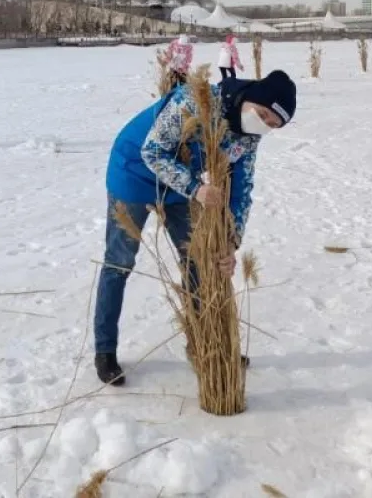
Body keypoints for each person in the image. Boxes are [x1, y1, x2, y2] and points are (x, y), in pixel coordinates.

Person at [93, 69, 297, 386]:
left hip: (180, 183)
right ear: (252, 99)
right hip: (134, 171)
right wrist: (195, 188)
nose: (264, 126)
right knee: (119, 262)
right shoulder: (196, 102)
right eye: (264, 115)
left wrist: (232, 239)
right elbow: (153, 151)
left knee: (198, 260)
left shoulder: (248, 136)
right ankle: (104, 350)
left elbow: (242, 187)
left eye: (273, 126)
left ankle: (201, 342)